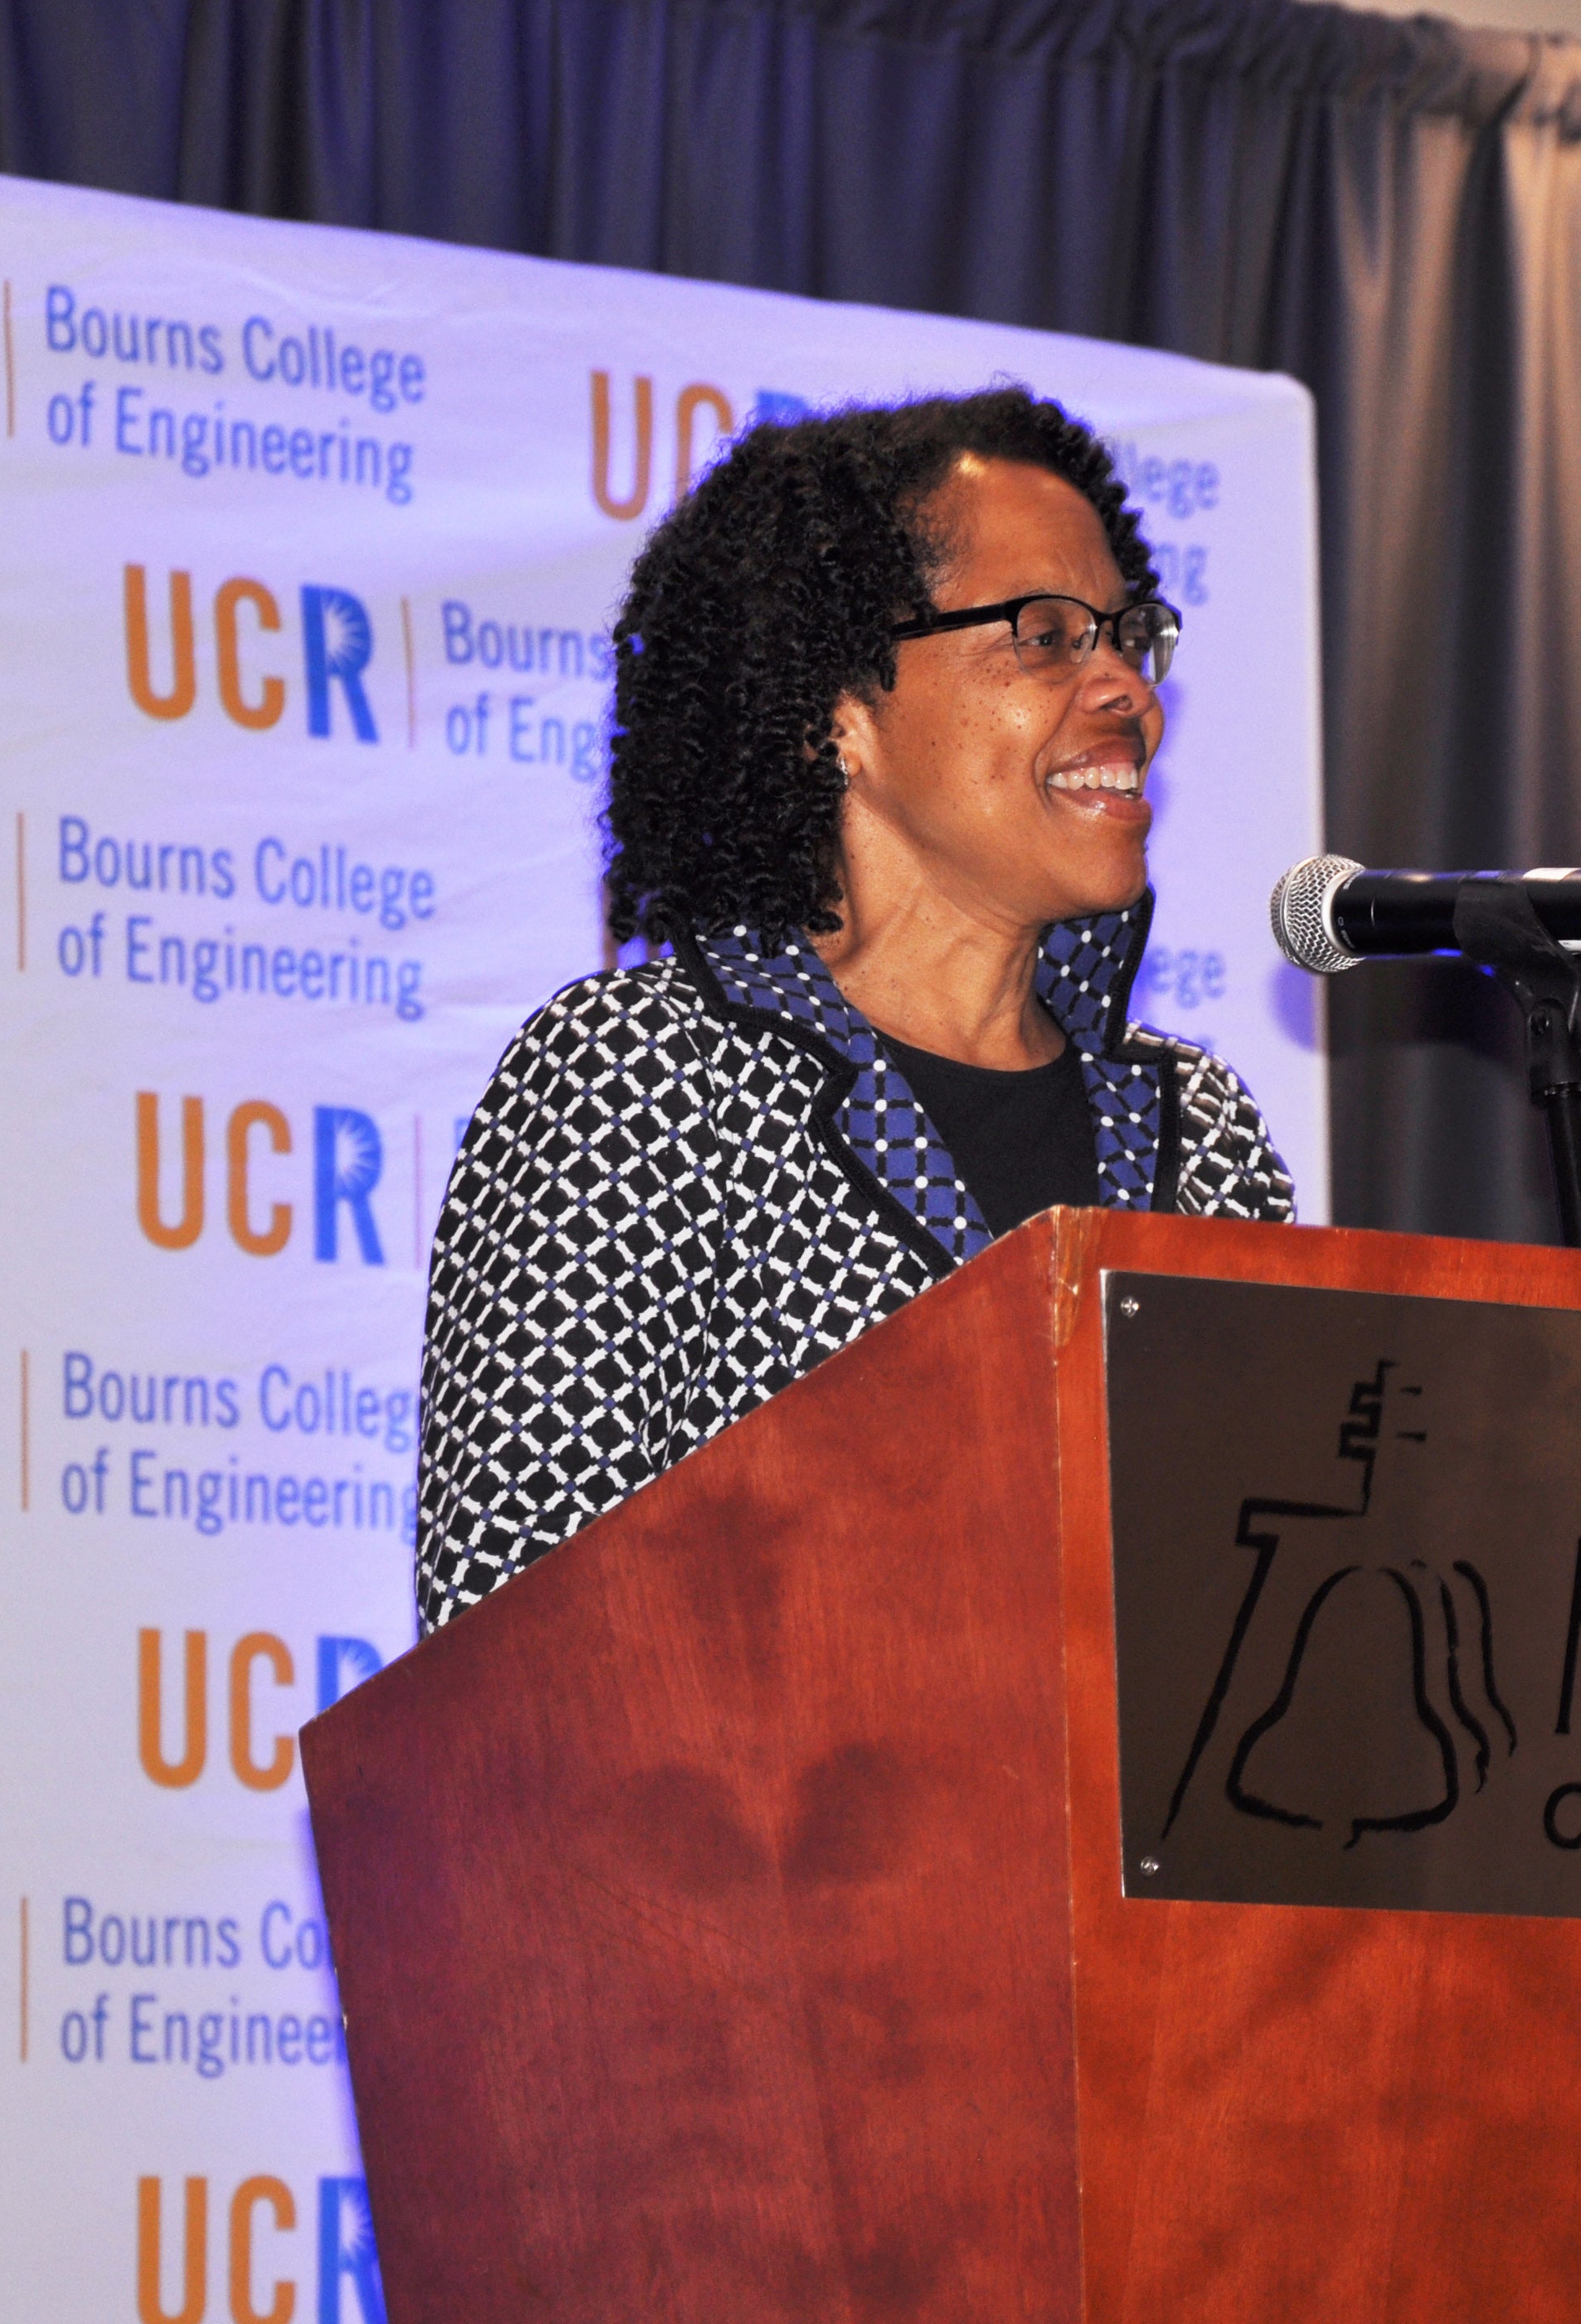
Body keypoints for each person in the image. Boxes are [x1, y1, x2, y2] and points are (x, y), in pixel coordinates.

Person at [413, 389, 1296, 1633]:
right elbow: (516, 1646)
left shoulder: (1198, 1135)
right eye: (1046, 635)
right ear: (842, 718)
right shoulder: (642, 1080)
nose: (1127, 693)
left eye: (1128, 636)